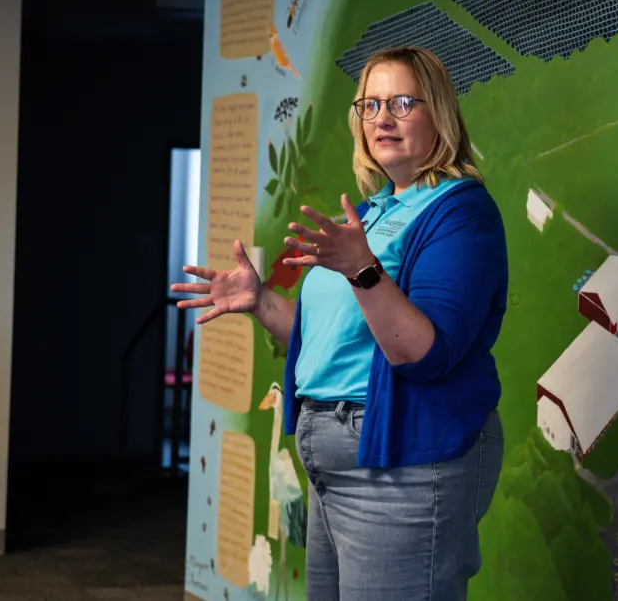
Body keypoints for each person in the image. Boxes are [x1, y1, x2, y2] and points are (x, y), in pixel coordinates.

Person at [172, 46, 508, 601]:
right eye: (370, 105)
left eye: (402, 102)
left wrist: (362, 268)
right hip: (331, 467)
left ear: (439, 113)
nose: (382, 118)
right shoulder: (375, 210)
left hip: (402, 465)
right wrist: (261, 301)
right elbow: (330, 345)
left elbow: (424, 353)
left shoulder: (460, 211)